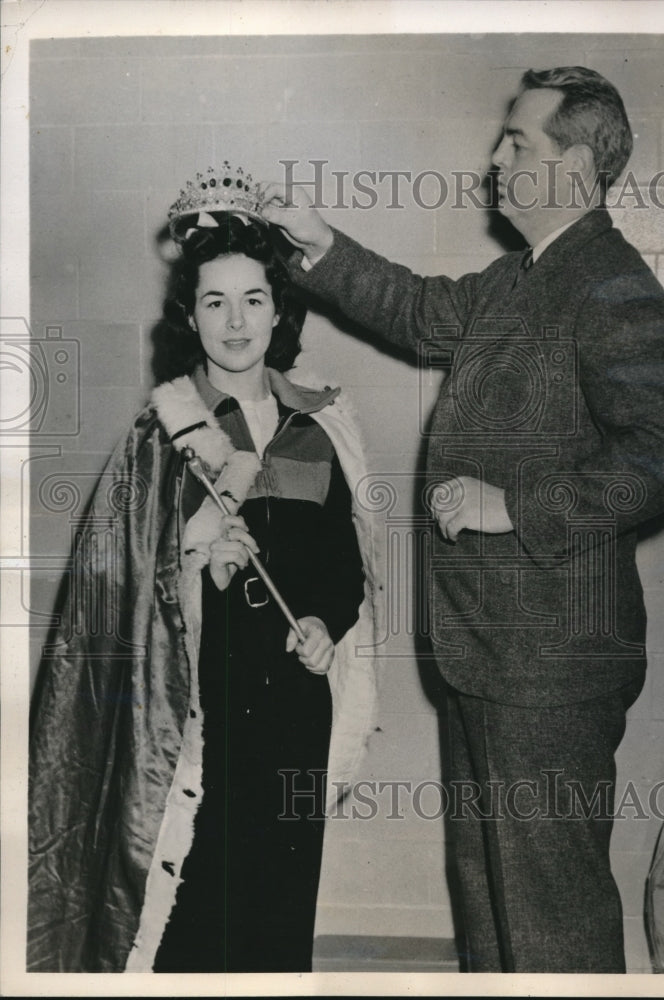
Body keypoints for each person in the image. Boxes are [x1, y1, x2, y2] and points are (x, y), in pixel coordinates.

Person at [259, 66, 664, 973]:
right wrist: (318, 242)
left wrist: (516, 506)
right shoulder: (517, 279)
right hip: (488, 654)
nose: (493, 159)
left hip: (551, 668)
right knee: (492, 903)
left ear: (573, 168)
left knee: (548, 915)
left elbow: (663, 457)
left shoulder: (610, 286)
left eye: (516, 144)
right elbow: (418, 310)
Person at [27, 192, 382, 973]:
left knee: (280, 907)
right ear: (188, 316)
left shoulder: (316, 427)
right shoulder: (166, 436)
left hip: (295, 705)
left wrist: (324, 620)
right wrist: (193, 557)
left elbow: (342, 566)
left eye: (252, 298)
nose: (234, 320)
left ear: (276, 309)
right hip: (201, 713)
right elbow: (118, 591)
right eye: (213, 301)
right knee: (198, 913)